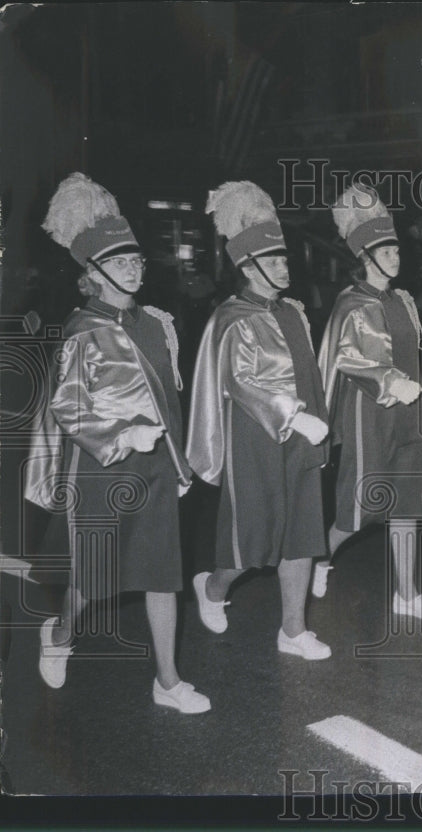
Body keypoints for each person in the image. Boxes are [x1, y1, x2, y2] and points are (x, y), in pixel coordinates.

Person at [27, 173, 210, 713]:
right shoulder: (83, 330)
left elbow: (169, 403)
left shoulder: (154, 323)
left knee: (162, 573)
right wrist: (122, 433)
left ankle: (168, 682)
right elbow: (68, 407)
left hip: (156, 469)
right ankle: (59, 635)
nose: (135, 269)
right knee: (95, 578)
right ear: (95, 273)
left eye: (137, 261)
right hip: (102, 470)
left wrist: (177, 467)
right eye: (122, 262)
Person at [186, 181, 331, 660]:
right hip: (257, 439)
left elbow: (308, 372)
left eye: (284, 259)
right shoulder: (232, 317)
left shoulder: (293, 311)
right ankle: (212, 586)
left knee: (303, 535)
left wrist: (319, 423)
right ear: (248, 267)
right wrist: (292, 416)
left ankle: (293, 630)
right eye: (273, 261)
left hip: (303, 438)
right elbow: (241, 383)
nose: (283, 267)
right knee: (254, 541)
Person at [315, 185, 422, 620]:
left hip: (410, 413)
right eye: (386, 249)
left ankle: (406, 594)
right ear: (365, 256)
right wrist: (389, 381)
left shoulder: (403, 300)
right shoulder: (351, 303)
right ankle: (319, 557)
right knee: (363, 507)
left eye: (395, 248)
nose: (395, 255)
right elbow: (346, 358)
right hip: (369, 414)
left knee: (408, 502)